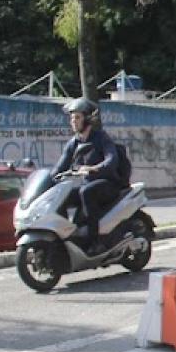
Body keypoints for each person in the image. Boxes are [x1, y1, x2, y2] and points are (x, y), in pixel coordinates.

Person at [53, 97, 125, 253]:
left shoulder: (101, 138)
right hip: (87, 185)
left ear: (87, 119)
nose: (73, 121)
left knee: (86, 192)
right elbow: (60, 166)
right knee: (61, 197)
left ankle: (95, 241)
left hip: (108, 184)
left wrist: (94, 168)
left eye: (77, 117)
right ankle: (67, 237)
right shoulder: (74, 143)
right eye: (72, 118)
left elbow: (112, 160)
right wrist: (49, 179)